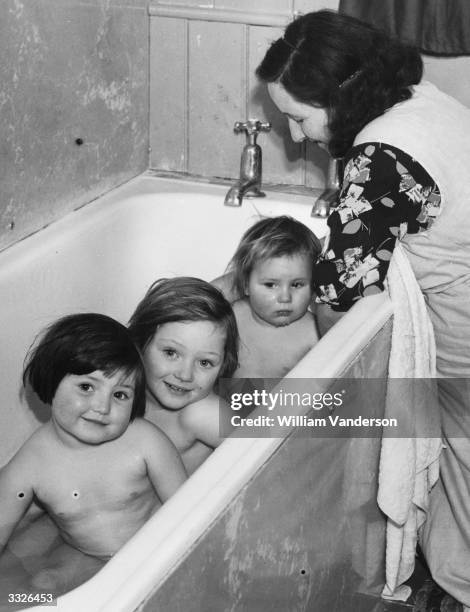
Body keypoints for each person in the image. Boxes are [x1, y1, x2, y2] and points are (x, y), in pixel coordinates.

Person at [255, 8, 470, 609]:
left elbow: (341, 295)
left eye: (297, 118)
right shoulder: (418, 98)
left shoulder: (382, 160)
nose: (295, 136)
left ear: (341, 95)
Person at [0, 313, 187, 592]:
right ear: (51, 380)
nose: (103, 407)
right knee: (40, 587)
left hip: (157, 550)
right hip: (91, 556)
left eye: (120, 394)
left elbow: (189, 508)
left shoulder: (145, 442)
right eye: (86, 387)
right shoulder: (29, 466)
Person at [128, 277, 239, 474]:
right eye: (171, 353)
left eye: (205, 363)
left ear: (223, 366)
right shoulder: (122, 390)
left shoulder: (203, 414)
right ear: (140, 343)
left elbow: (261, 458)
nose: (185, 375)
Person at [216, 216, 321, 378]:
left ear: (313, 285)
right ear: (245, 284)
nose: (285, 297)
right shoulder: (231, 318)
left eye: (297, 284)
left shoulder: (314, 334)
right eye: (271, 285)